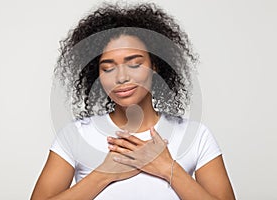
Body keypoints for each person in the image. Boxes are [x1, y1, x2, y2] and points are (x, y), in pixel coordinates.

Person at [31, 2, 235, 200]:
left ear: (154, 65)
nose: (121, 77)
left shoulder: (196, 136)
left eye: (135, 64)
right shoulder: (75, 135)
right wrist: (104, 174)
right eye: (108, 68)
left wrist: (167, 168)